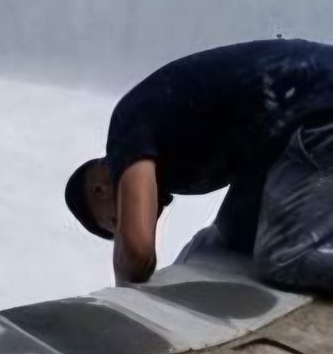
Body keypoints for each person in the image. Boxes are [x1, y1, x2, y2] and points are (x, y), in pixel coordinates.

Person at [65, 39, 333, 291]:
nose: (130, 222)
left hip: (318, 109)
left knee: (286, 257)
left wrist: (120, 297)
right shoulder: (161, 141)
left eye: (117, 220)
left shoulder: (124, 132)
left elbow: (137, 254)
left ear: (99, 189)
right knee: (226, 241)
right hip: (290, 125)